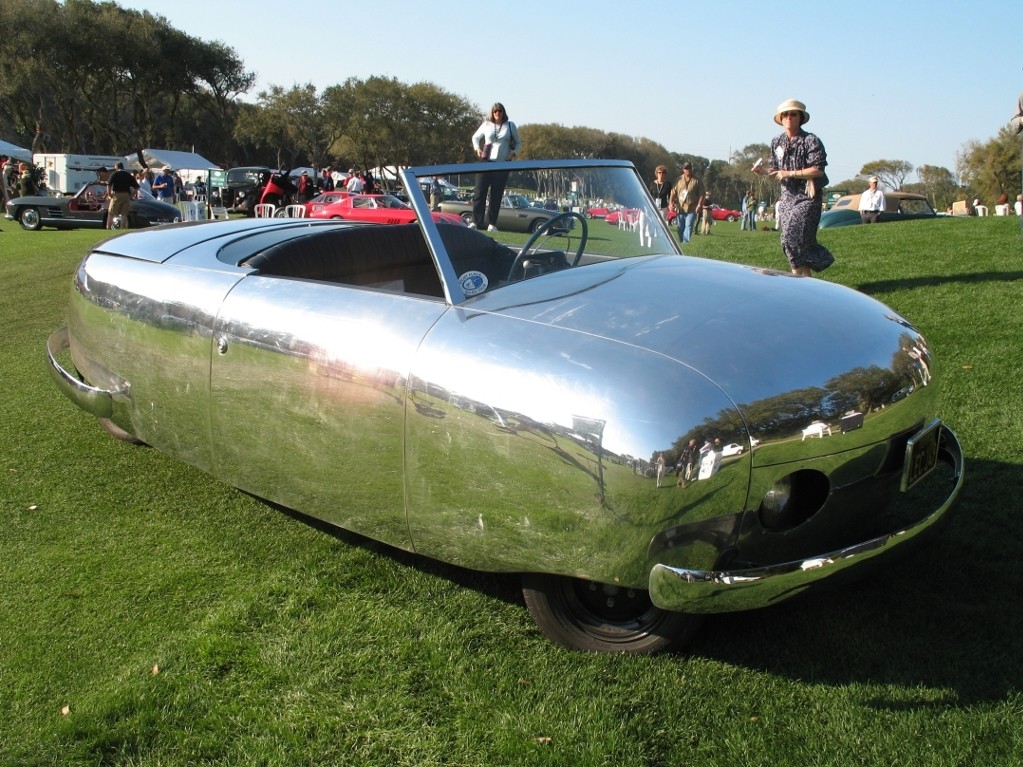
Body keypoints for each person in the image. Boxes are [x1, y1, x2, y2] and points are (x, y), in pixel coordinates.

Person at [754, 99, 834, 276]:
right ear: (780, 119)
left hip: (807, 197)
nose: (789, 117)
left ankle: (813, 267)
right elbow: (777, 170)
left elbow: (818, 170)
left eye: (793, 114)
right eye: (785, 114)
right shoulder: (777, 142)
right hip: (787, 198)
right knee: (788, 242)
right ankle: (803, 282)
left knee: (792, 236)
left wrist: (791, 174)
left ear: (800, 118)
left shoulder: (811, 140)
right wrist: (764, 171)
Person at [470, 102, 520, 231]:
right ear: (492, 113)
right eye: (495, 111)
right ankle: (476, 221)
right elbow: (475, 137)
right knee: (480, 192)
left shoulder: (510, 126)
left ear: (504, 112)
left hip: (502, 163)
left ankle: (491, 223)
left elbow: (519, 143)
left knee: (496, 195)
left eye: (500, 111)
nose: (498, 113)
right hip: (486, 161)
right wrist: (477, 149)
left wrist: (513, 153)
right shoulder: (486, 124)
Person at [668, 162, 704, 243]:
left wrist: (699, 205)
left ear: (692, 169)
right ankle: (681, 241)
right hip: (680, 208)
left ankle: (686, 242)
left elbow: (702, 194)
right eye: (686, 168)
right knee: (680, 227)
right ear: (683, 170)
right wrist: (671, 203)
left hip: (692, 207)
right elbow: (673, 193)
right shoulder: (678, 180)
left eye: (689, 168)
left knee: (689, 226)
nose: (688, 170)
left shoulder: (697, 180)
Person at [105, 161, 138, 229]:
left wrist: (109, 194)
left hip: (117, 194)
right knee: (124, 214)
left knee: (111, 212)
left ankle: (108, 227)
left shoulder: (115, 174)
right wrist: (131, 195)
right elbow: (137, 187)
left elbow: (109, 185)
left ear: (116, 167)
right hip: (126, 195)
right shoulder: (128, 175)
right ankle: (122, 228)